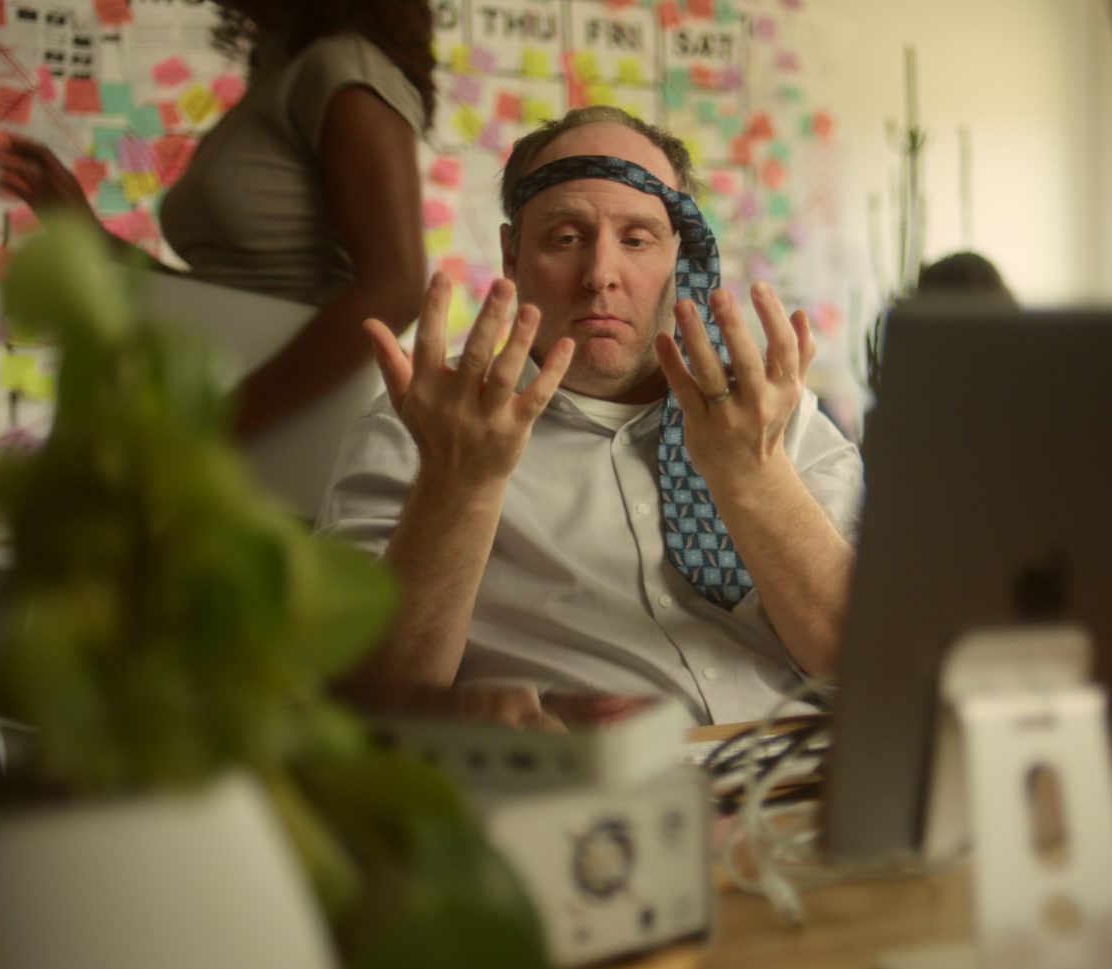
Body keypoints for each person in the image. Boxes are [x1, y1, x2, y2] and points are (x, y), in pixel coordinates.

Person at [318, 106, 862, 728]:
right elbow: (361, 700)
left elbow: (866, 659)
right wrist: (457, 484)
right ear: (513, 256)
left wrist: (756, 476)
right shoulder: (419, 431)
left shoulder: (777, 414)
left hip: (795, 781)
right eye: (567, 238)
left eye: (636, 240)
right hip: (576, 796)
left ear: (679, 259)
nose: (601, 275)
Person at [0, 0, 431, 439]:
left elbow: (395, 290)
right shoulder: (280, 70)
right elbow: (222, 298)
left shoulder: (342, 68)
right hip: (218, 427)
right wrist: (92, 236)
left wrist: (216, 428)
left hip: (278, 451)